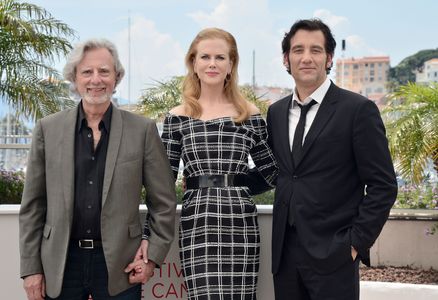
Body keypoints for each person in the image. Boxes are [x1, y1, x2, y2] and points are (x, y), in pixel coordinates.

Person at [19, 39, 177, 300]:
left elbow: (164, 201)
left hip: (121, 265)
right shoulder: (48, 129)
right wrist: (30, 269)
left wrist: (153, 257)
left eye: (104, 71)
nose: (96, 80)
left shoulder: (143, 130)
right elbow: (33, 205)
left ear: (116, 77)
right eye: (87, 72)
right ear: (74, 78)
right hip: (59, 264)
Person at [267, 19, 398, 300]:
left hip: (335, 255)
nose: (306, 57)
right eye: (298, 50)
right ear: (285, 59)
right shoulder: (276, 113)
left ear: (329, 59)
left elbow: (383, 186)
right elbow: (277, 172)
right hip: (284, 256)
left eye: (316, 50)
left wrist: (354, 244)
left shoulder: (358, 110)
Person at [161, 28, 278, 299]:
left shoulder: (248, 115)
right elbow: (163, 181)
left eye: (220, 57)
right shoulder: (177, 117)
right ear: (193, 63)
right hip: (197, 222)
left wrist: (237, 185)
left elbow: (273, 171)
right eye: (205, 57)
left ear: (231, 65)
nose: (212, 63)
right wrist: (147, 234)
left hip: (240, 222)